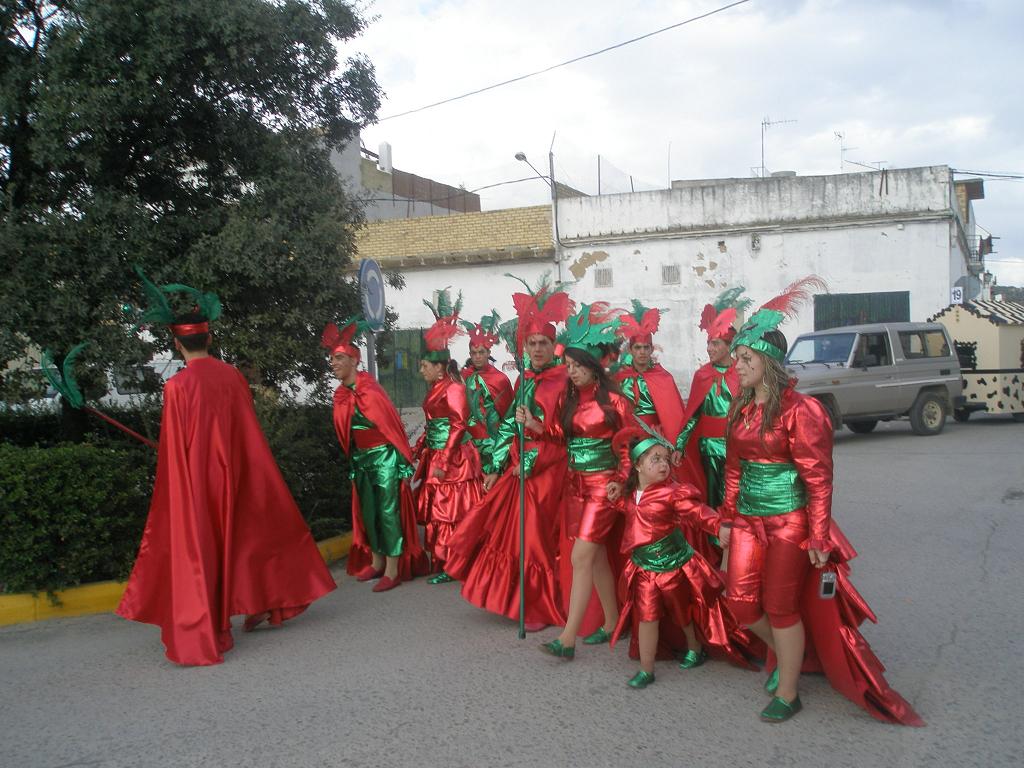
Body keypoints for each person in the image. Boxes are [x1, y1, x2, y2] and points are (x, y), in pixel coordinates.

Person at [720, 277, 924, 725]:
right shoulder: (740, 408)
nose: (737, 365)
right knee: (738, 602)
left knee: (780, 607)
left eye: (745, 358)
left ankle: (789, 690)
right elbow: (733, 469)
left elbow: (818, 478)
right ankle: (789, 654)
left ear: (768, 361)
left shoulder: (800, 410)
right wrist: (727, 517)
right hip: (749, 521)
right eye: (736, 357)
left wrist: (817, 533)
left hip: (789, 522)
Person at [117, 275, 335, 666]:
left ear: (176, 343)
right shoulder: (232, 376)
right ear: (210, 339)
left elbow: (174, 450)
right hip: (237, 475)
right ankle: (264, 602)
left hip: (199, 483)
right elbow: (243, 428)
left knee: (203, 551)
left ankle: (211, 627)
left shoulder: (177, 388)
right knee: (246, 541)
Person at [445, 274, 573, 630]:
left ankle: (539, 605)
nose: (537, 349)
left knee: (536, 538)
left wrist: (535, 433)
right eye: (531, 343)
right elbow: (506, 427)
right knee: (512, 533)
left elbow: (566, 434)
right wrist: (497, 463)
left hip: (548, 469)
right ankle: (518, 599)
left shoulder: (564, 381)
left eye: (543, 343)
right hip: (520, 466)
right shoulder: (525, 379)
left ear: (553, 344)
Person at [609, 426, 753, 688]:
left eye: (665, 459)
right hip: (643, 568)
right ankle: (646, 668)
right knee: (647, 616)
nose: (663, 465)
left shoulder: (673, 493)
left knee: (681, 613)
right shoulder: (631, 494)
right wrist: (614, 500)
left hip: (673, 566)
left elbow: (697, 512)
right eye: (655, 459)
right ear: (638, 466)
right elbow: (632, 515)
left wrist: (717, 526)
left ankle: (694, 645)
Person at [540, 306, 632, 659]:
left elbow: (628, 446)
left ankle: (567, 639)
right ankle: (612, 622)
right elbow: (562, 438)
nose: (572, 372)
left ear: (595, 367)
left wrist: (621, 481)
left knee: (580, 558)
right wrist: (534, 425)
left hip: (602, 487)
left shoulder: (616, 402)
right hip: (574, 486)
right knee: (594, 561)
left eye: (578, 366)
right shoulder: (569, 399)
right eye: (569, 366)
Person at [326, 317, 429, 593]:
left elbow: (391, 428)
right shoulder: (342, 394)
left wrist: (402, 464)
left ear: (353, 361)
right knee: (367, 512)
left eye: (338, 358)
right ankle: (377, 561)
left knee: (387, 513)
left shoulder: (370, 390)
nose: (333, 364)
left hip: (384, 458)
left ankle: (394, 569)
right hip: (361, 460)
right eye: (332, 359)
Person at [413, 290, 484, 584]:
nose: (421, 370)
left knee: (451, 511)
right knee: (439, 512)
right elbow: (433, 424)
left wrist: (443, 458)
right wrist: (420, 448)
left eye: (425, 366)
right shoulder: (435, 389)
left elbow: (458, 424)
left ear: (440, 367)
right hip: (438, 453)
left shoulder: (453, 388)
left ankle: (454, 563)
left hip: (453, 458)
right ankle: (444, 560)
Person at [675, 288, 751, 513]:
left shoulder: (741, 373)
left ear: (729, 347)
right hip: (709, 447)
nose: (710, 349)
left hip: (737, 445)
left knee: (737, 495)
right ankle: (717, 543)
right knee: (713, 497)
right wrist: (679, 445)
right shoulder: (702, 375)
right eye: (708, 343)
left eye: (715, 344)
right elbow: (692, 415)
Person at [614, 300, 686, 439]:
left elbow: (673, 417)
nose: (642, 352)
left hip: (655, 437)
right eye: (638, 347)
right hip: (628, 438)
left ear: (652, 349)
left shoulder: (663, 378)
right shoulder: (621, 378)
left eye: (646, 347)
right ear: (630, 350)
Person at [459, 310, 514, 469]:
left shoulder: (500, 379)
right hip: (469, 445)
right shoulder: (465, 377)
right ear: (470, 354)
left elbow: (508, 416)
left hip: (492, 444)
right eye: (474, 353)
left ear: (488, 353)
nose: (477, 357)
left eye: (481, 352)